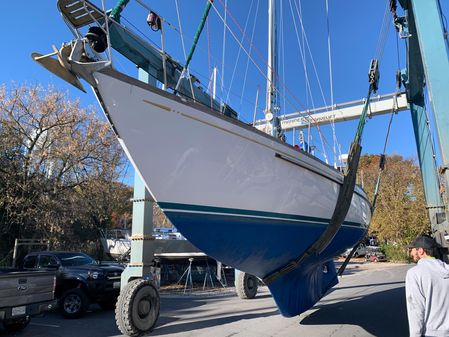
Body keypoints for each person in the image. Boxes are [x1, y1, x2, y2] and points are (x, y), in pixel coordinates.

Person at [406, 235, 449, 337]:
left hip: (433, 333)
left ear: (420, 251)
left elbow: (416, 309)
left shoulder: (415, 273)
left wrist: (415, 335)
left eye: (412, 249)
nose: (411, 253)